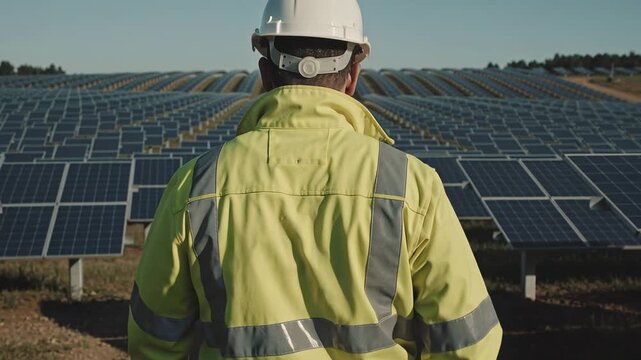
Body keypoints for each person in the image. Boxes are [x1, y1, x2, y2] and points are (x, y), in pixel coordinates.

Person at [128, 0, 503, 358]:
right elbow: (468, 344)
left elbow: (153, 341)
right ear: (354, 75)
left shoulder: (195, 187)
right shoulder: (412, 187)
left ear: (264, 73)